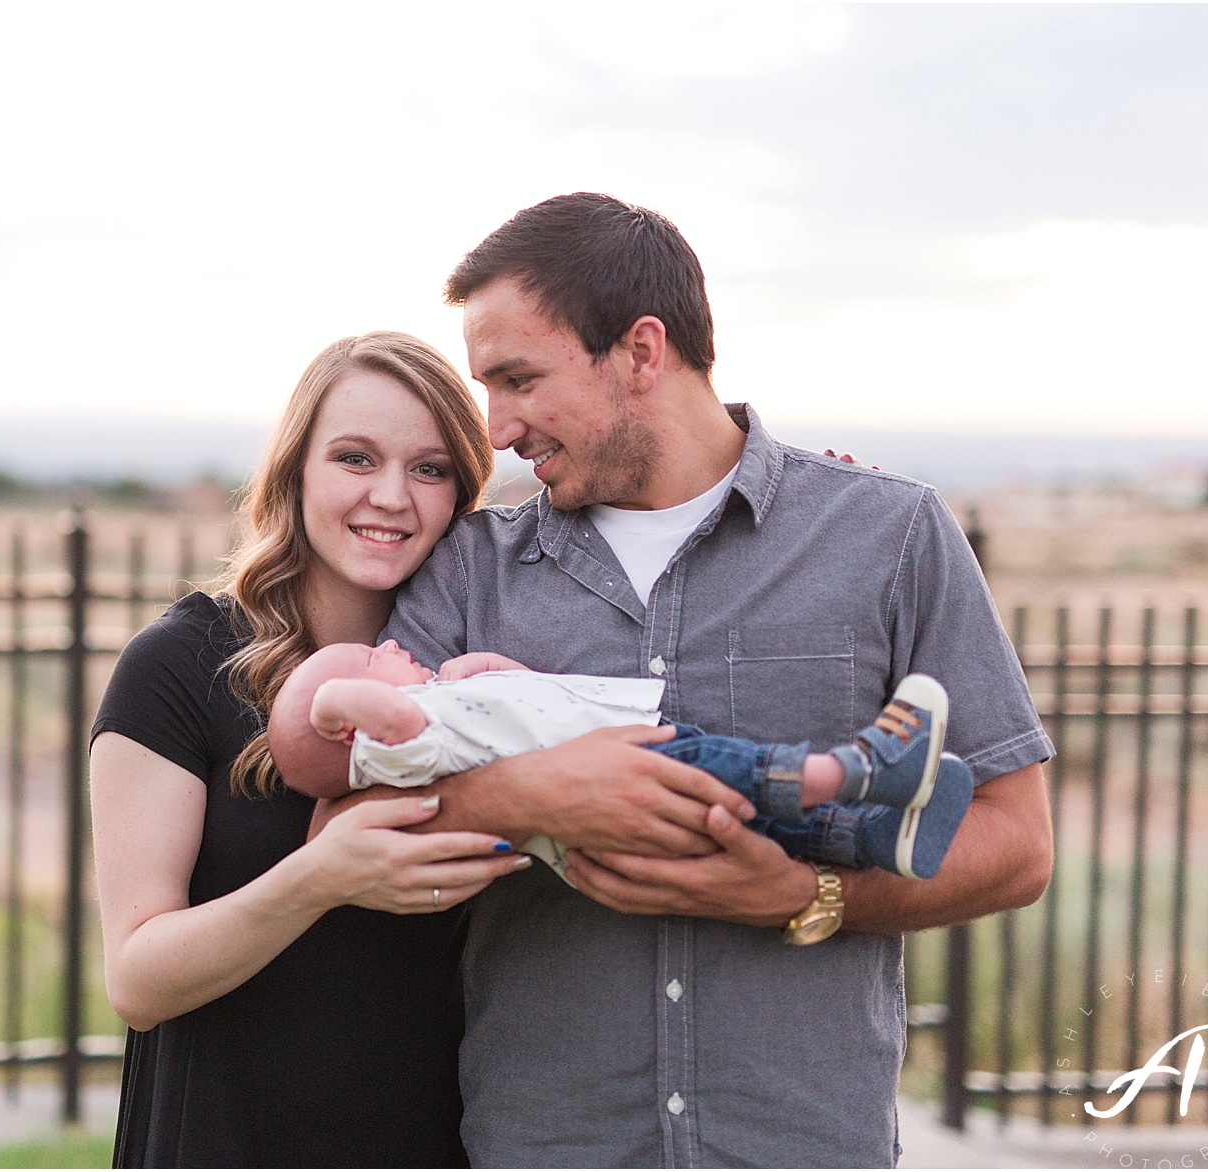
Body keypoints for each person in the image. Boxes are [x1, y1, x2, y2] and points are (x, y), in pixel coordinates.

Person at [343, 194, 1055, 1167]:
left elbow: (1016, 843)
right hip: (550, 1143)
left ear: (642, 350)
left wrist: (806, 893)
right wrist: (528, 792)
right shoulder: (471, 566)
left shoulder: (887, 537)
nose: (496, 428)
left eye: (518, 378)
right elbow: (341, 829)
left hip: (805, 1143)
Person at [87, 332, 536, 1167]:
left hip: (432, 1140)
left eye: (430, 469)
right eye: (355, 459)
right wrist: (319, 877)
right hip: (226, 1140)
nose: (392, 497)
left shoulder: (470, 673)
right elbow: (136, 981)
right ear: (295, 471)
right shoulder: (177, 668)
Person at [270, 639, 974, 882]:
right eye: (370, 659)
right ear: (347, 731)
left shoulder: (437, 724)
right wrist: (330, 694)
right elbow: (380, 715)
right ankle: (863, 770)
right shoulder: (401, 740)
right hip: (640, 760)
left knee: (750, 823)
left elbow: (532, 706)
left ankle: (866, 838)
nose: (389, 650)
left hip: (615, 814)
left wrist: (492, 669)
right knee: (738, 769)